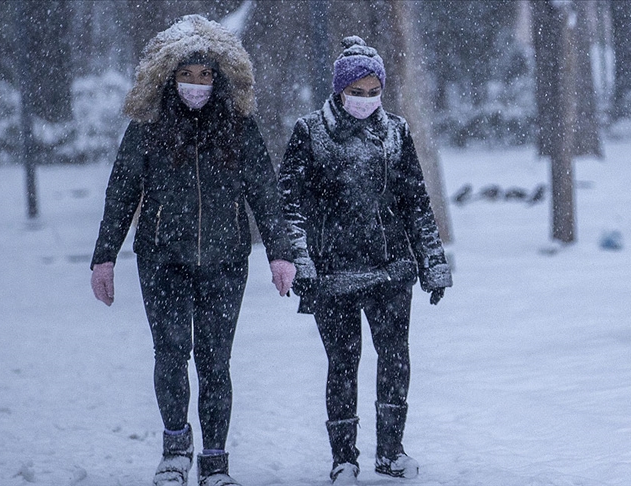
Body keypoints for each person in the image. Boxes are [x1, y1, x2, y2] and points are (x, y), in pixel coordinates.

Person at [90, 15, 296, 486]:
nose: (196, 85)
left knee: (215, 361)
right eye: (187, 74)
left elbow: (264, 190)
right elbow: (121, 192)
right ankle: (175, 450)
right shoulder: (148, 127)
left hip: (225, 262)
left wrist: (279, 252)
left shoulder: (239, 127)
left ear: (220, 78)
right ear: (169, 76)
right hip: (163, 261)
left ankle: (216, 461)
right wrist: (104, 257)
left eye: (205, 75)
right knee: (170, 354)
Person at [278, 36, 452, 484]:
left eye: (374, 90)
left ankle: (391, 452)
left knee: (395, 358)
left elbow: (416, 201)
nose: (366, 99)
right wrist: (303, 264)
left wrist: (432, 262)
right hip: (333, 274)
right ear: (339, 90)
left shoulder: (396, 130)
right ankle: (343, 459)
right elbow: (290, 206)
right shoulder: (310, 132)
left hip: (391, 270)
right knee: (343, 363)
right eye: (357, 91)